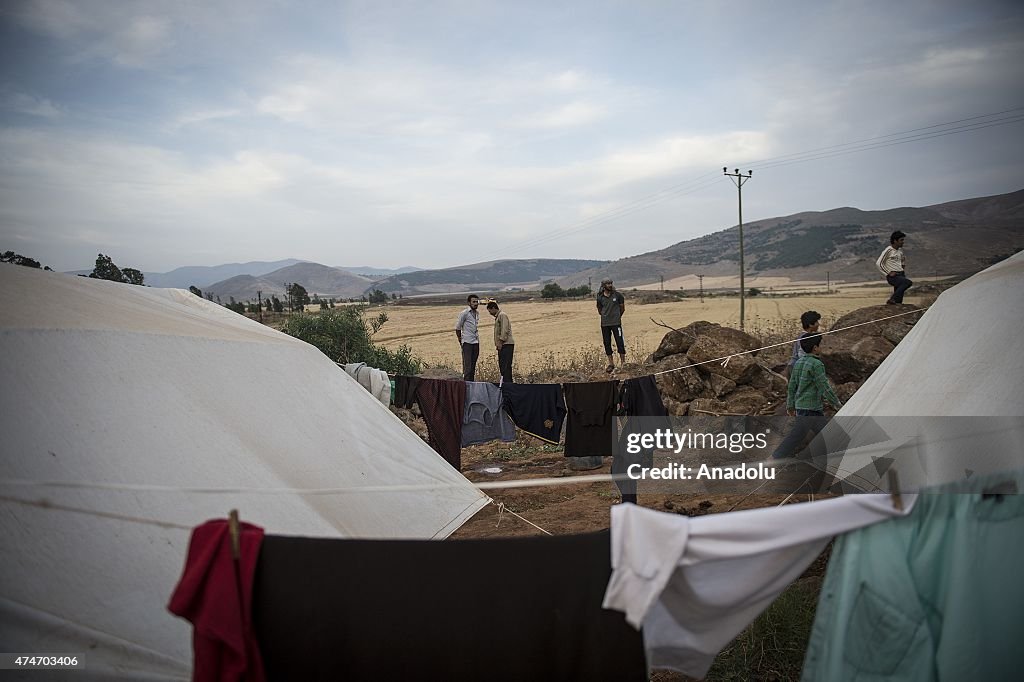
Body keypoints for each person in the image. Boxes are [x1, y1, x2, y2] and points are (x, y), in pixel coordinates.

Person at [772, 333, 842, 459]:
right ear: (815, 348)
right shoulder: (817, 365)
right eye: (821, 345)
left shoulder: (799, 362)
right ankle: (775, 458)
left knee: (826, 435)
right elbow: (824, 387)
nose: (822, 347)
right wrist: (837, 404)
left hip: (805, 407)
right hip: (810, 409)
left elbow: (792, 385)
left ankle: (832, 459)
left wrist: (790, 405)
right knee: (798, 435)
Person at [596, 278, 626, 373]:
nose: (610, 285)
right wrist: (606, 316)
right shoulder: (600, 297)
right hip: (605, 324)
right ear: (603, 285)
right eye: (607, 283)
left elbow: (622, 308)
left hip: (616, 323)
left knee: (620, 342)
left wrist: (617, 316)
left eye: (611, 283)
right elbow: (600, 309)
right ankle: (611, 364)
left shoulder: (617, 295)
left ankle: (623, 363)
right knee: (607, 343)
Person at [876, 230, 912, 304]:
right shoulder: (888, 250)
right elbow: (879, 263)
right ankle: (891, 299)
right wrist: (888, 272)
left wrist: (902, 267)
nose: (903, 242)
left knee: (899, 301)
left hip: (901, 275)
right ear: (895, 241)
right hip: (893, 276)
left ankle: (895, 304)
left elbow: (902, 261)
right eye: (901, 240)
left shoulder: (900, 251)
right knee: (908, 283)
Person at [785, 310, 821, 378]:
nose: (818, 324)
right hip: (797, 368)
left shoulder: (801, 335)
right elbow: (801, 355)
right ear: (810, 324)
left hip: (794, 366)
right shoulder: (806, 337)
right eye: (816, 322)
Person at [486, 300, 515, 384]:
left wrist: (500, 342)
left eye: (490, 311)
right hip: (503, 345)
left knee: (506, 366)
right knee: (503, 366)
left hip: (506, 344)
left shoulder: (502, 315)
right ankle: (506, 383)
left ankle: (508, 384)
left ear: (494, 308)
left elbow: (504, 330)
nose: (490, 313)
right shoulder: (498, 316)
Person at [454, 294, 480, 381]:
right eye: (474, 302)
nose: (476, 304)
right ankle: (466, 387)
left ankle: (471, 386)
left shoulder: (477, 313)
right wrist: (460, 340)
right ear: (469, 303)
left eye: (477, 302)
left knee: (473, 367)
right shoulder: (464, 313)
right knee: (467, 368)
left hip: (476, 342)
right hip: (467, 343)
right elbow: (458, 328)